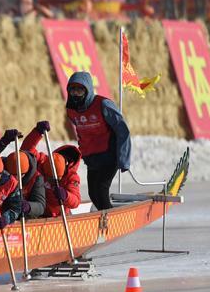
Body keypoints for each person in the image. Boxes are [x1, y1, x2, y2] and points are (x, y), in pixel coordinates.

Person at [65, 72, 130, 210]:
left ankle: (110, 223)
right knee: (93, 193)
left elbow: (122, 130)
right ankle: (104, 221)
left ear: (87, 90)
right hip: (92, 158)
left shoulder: (103, 105)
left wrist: (124, 158)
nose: (76, 94)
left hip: (109, 155)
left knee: (101, 190)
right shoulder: (71, 110)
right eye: (73, 90)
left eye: (80, 90)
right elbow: (81, 133)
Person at [22, 121, 82, 217]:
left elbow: (76, 201)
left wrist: (66, 195)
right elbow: (27, 150)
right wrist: (37, 132)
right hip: (38, 209)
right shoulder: (42, 161)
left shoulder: (72, 177)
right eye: (49, 177)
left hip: (58, 215)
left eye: (57, 178)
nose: (52, 181)